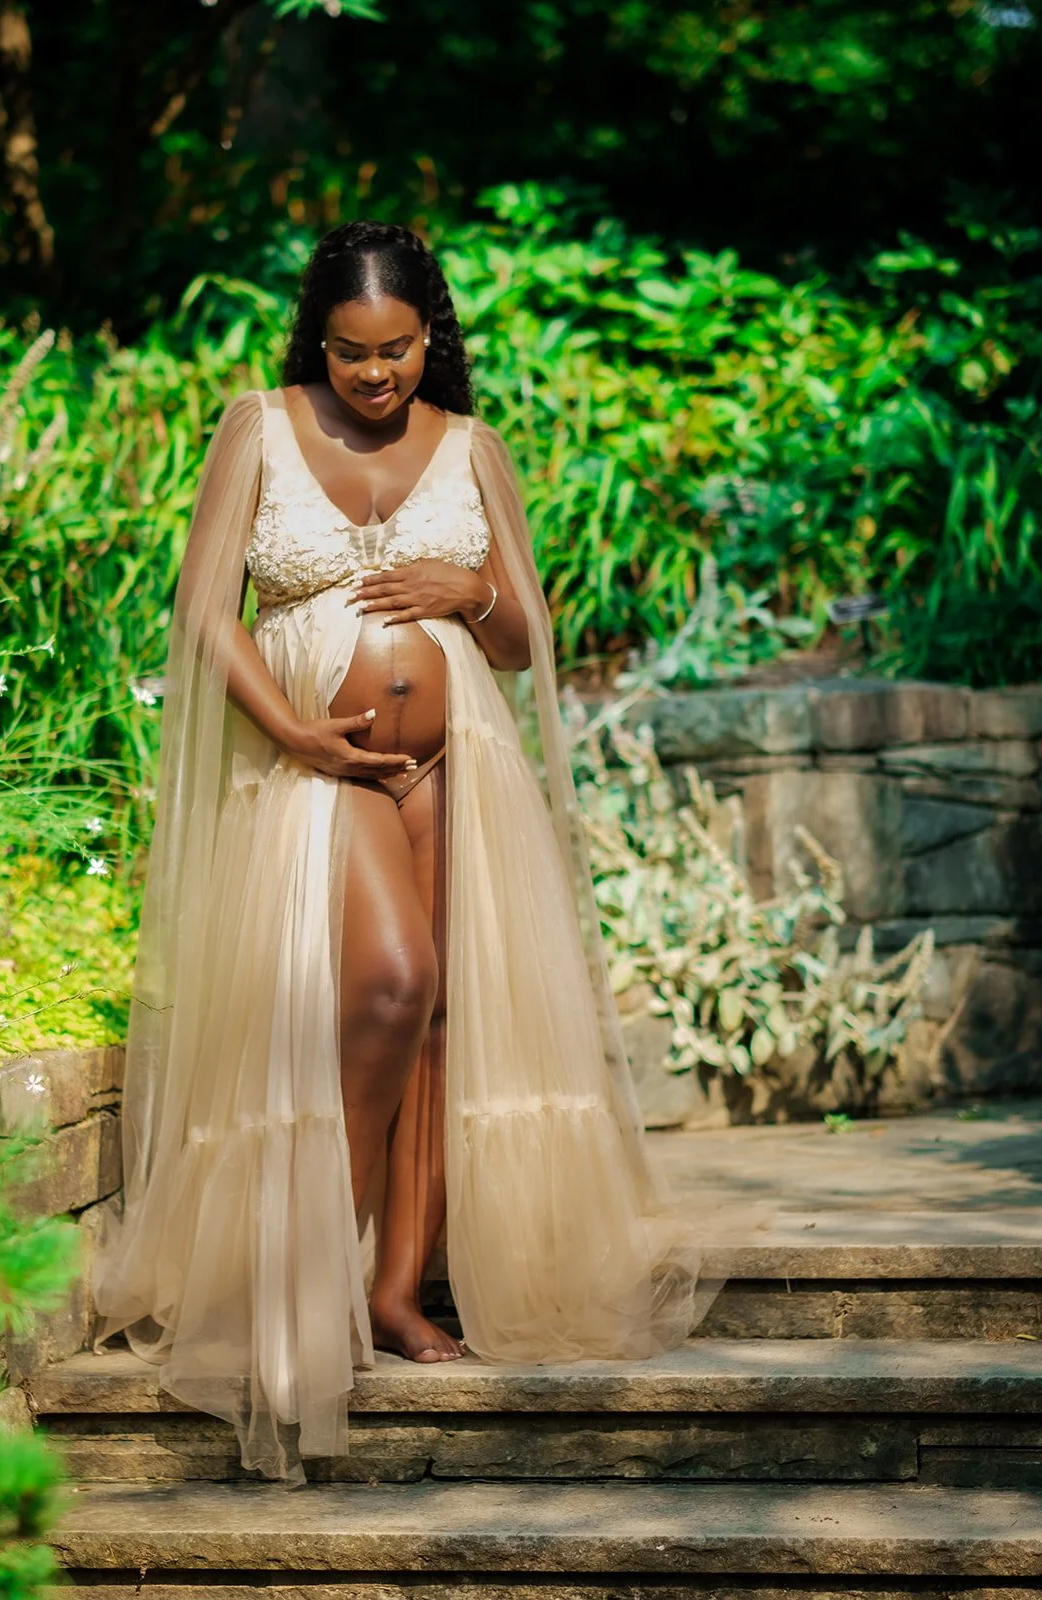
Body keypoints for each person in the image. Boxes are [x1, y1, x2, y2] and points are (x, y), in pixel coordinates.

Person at [92, 220, 717, 1484]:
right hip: (322, 760)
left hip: (458, 761)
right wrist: (297, 736)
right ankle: (317, 1258)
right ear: (314, 340)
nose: (375, 377)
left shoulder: (471, 446)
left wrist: (464, 591)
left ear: (429, 331)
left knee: (441, 1023)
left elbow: (524, 635)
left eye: (395, 351)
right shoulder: (257, 426)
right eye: (350, 353)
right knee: (389, 982)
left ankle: (392, 1289)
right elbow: (202, 613)